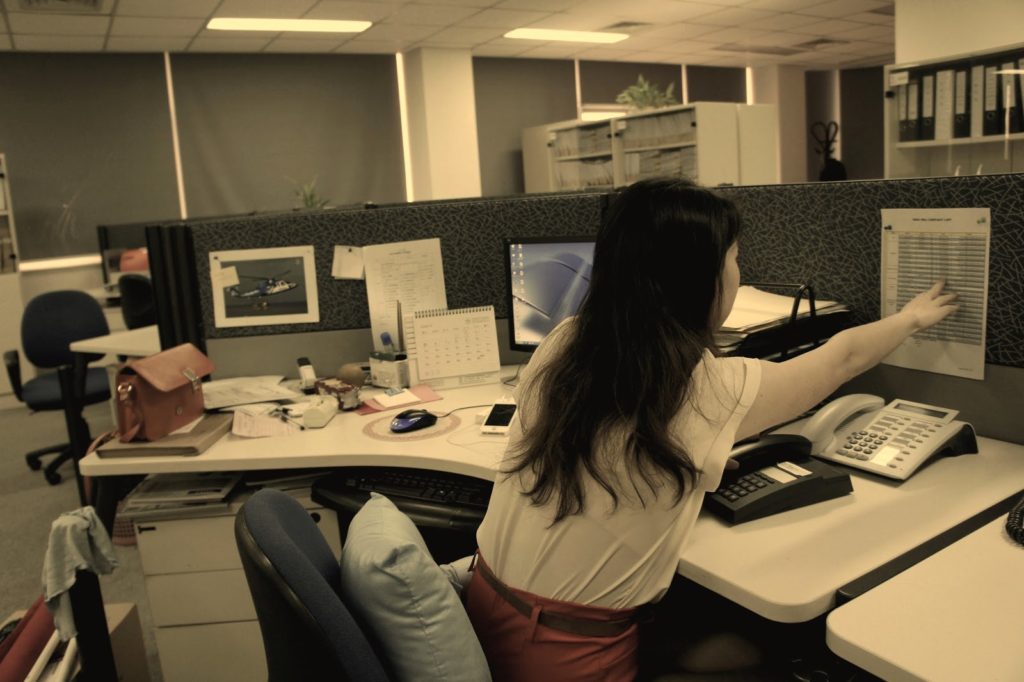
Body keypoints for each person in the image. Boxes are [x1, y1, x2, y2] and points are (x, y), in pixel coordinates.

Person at [464, 178, 958, 681]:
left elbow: (606, 441)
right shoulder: (703, 388)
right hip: (567, 657)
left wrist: (681, 463)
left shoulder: (564, 341)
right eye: (735, 258)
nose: (739, 274)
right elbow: (841, 359)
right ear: (699, 278)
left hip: (481, 613)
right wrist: (912, 318)